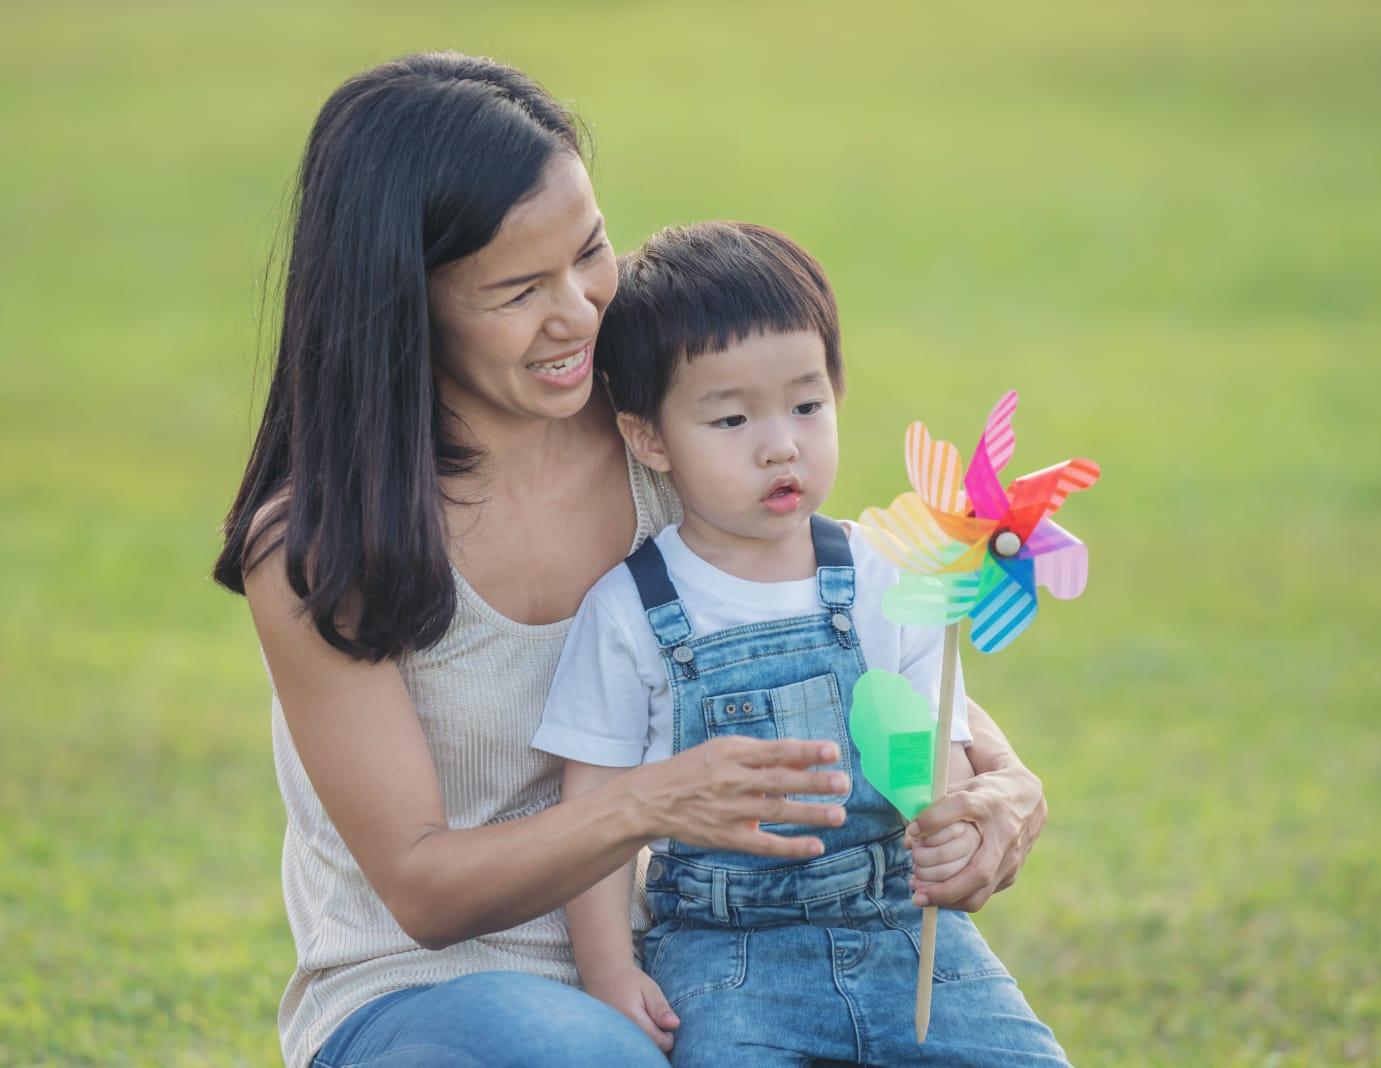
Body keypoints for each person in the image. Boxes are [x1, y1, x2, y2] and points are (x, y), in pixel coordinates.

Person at [213, 52, 1051, 1068]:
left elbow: (873, 623)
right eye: (520, 290)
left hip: (696, 956)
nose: (579, 311)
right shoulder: (321, 543)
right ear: (410, 304)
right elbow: (423, 893)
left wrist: (1002, 785)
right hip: (433, 988)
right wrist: (647, 802)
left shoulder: (669, 435)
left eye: (589, 252)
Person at [533, 220, 1070, 1065]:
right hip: (724, 956)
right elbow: (596, 809)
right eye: (732, 417)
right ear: (648, 439)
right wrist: (608, 971)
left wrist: (954, 823)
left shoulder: (891, 574)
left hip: (898, 925)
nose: (780, 442)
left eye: (807, 405)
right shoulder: (630, 608)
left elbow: (940, 742)